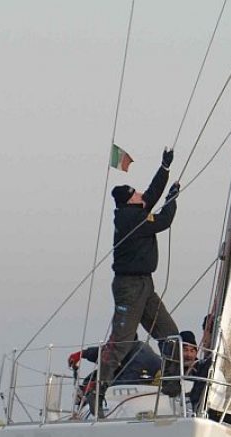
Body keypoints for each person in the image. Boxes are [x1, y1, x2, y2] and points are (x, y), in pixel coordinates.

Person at [94, 148, 182, 414]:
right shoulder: (130, 219)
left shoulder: (136, 211)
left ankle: (170, 385)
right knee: (121, 342)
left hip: (145, 285)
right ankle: (97, 390)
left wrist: (165, 168)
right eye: (136, 194)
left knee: (171, 337)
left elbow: (151, 195)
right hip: (129, 288)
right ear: (129, 202)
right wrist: (173, 199)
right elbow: (164, 220)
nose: (141, 195)